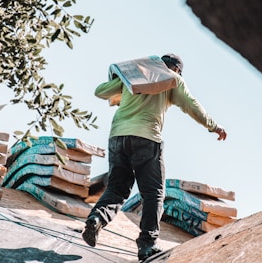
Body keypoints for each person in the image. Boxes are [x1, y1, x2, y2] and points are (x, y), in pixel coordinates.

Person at [82, 53, 227, 261]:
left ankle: (96, 218)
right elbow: (191, 105)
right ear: (176, 70)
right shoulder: (173, 80)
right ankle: (147, 245)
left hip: (117, 137)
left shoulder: (135, 77)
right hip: (147, 139)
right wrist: (214, 126)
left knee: (117, 188)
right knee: (154, 193)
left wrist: (120, 80)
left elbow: (100, 92)